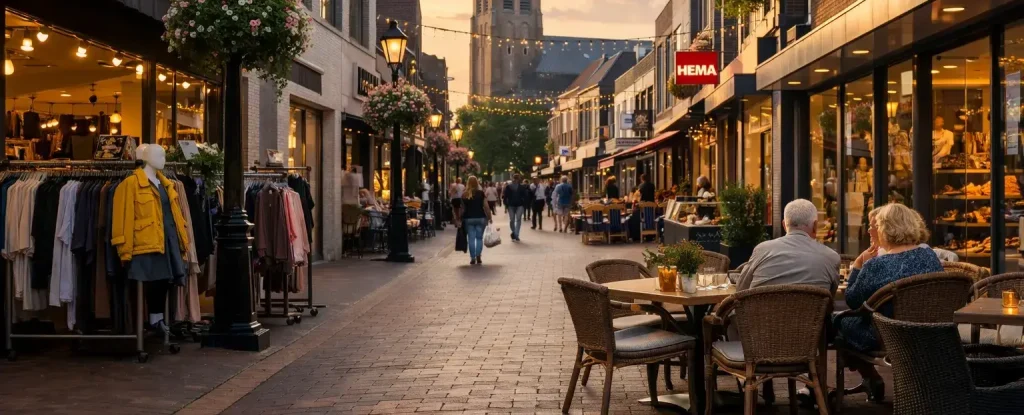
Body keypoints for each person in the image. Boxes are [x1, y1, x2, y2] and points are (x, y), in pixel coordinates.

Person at [837, 202, 942, 399]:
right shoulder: (929, 255)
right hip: (930, 328)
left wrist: (858, 265)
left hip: (888, 334)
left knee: (839, 323)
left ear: (885, 228)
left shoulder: (877, 264)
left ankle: (870, 376)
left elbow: (852, 299)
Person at [736, 199, 841, 294]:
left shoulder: (762, 250)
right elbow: (829, 298)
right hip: (812, 315)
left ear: (784, 225)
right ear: (815, 226)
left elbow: (741, 289)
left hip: (761, 314)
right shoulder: (831, 257)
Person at [460, 176, 492, 265]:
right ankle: (478, 255)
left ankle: (472, 257)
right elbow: (486, 206)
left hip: (468, 218)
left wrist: (459, 218)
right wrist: (489, 217)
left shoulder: (464, 194)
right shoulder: (481, 193)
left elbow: (462, 209)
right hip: (480, 217)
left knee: (471, 238)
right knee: (479, 238)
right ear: (477, 183)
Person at [502, 174, 529, 241]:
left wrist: (506, 204)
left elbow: (505, 197)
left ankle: (515, 233)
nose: (515, 179)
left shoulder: (518, 187)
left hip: (515, 205)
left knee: (513, 220)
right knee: (517, 220)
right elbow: (525, 196)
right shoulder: (510, 187)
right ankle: (515, 233)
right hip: (516, 205)